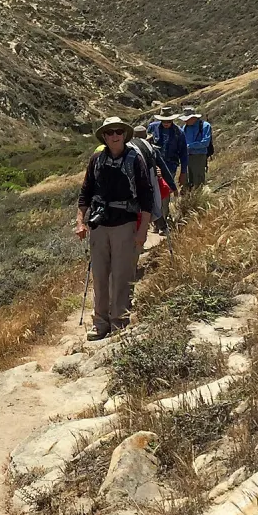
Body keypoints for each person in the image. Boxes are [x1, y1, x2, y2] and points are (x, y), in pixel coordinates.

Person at [75, 117, 155, 341]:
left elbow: (146, 197)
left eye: (118, 131)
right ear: (104, 137)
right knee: (100, 276)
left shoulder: (134, 159)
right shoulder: (96, 159)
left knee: (122, 276)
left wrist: (142, 230)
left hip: (125, 225)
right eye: (109, 133)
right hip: (99, 226)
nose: (114, 136)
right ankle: (100, 323)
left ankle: (119, 322)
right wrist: (80, 221)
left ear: (124, 134)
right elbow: (85, 193)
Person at [134, 124, 176, 233]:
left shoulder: (130, 150)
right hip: (152, 182)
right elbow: (164, 168)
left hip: (135, 185)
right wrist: (172, 186)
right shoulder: (152, 150)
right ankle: (161, 226)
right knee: (156, 204)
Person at [147, 108, 187, 194]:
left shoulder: (179, 132)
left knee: (166, 190)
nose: (166, 123)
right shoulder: (152, 127)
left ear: (172, 119)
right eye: (163, 121)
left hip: (170, 166)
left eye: (168, 121)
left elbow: (183, 153)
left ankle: (165, 206)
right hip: (155, 165)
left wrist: (183, 172)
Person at [181, 107, 214, 190]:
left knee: (198, 180)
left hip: (199, 156)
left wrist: (189, 146)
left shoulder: (205, 126)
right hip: (188, 157)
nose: (185, 121)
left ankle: (200, 198)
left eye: (187, 119)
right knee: (189, 180)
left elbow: (205, 142)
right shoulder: (184, 128)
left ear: (193, 118)